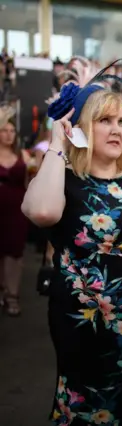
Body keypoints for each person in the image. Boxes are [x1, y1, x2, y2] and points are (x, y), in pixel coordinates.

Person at [22, 77, 122, 425]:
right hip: (89, 336)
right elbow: (42, 212)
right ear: (80, 129)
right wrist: (57, 142)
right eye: (104, 120)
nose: (116, 129)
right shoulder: (62, 179)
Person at [0, 108, 29, 316]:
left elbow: (29, 184)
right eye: (4, 130)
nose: (9, 134)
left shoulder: (23, 155)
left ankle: (12, 294)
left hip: (16, 210)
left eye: (12, 130)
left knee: (15, 254)